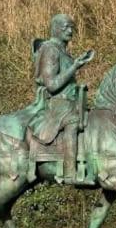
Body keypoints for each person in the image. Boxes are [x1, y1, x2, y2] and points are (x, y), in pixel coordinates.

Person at [29, 13, 95, 182]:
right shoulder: (50, 49)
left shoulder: (64, 51)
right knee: (72, 121)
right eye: (66, 27)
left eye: (72, 27)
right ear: (55, 29)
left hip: (71, 101)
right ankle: (70, 173)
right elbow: (52, 85)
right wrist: (74, 67)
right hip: (58, 104)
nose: (70, 31)